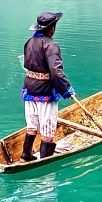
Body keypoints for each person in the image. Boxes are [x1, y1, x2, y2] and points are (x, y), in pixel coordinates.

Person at [21, 10, 75, 161]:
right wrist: (66, 89)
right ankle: (45, 161)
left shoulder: (29, 42)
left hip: (29, 88)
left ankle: (26, 155)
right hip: (44, 90)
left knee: (32, 123)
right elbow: (56, 72)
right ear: (51, 28)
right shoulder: (51, 45)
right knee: (47, 124)